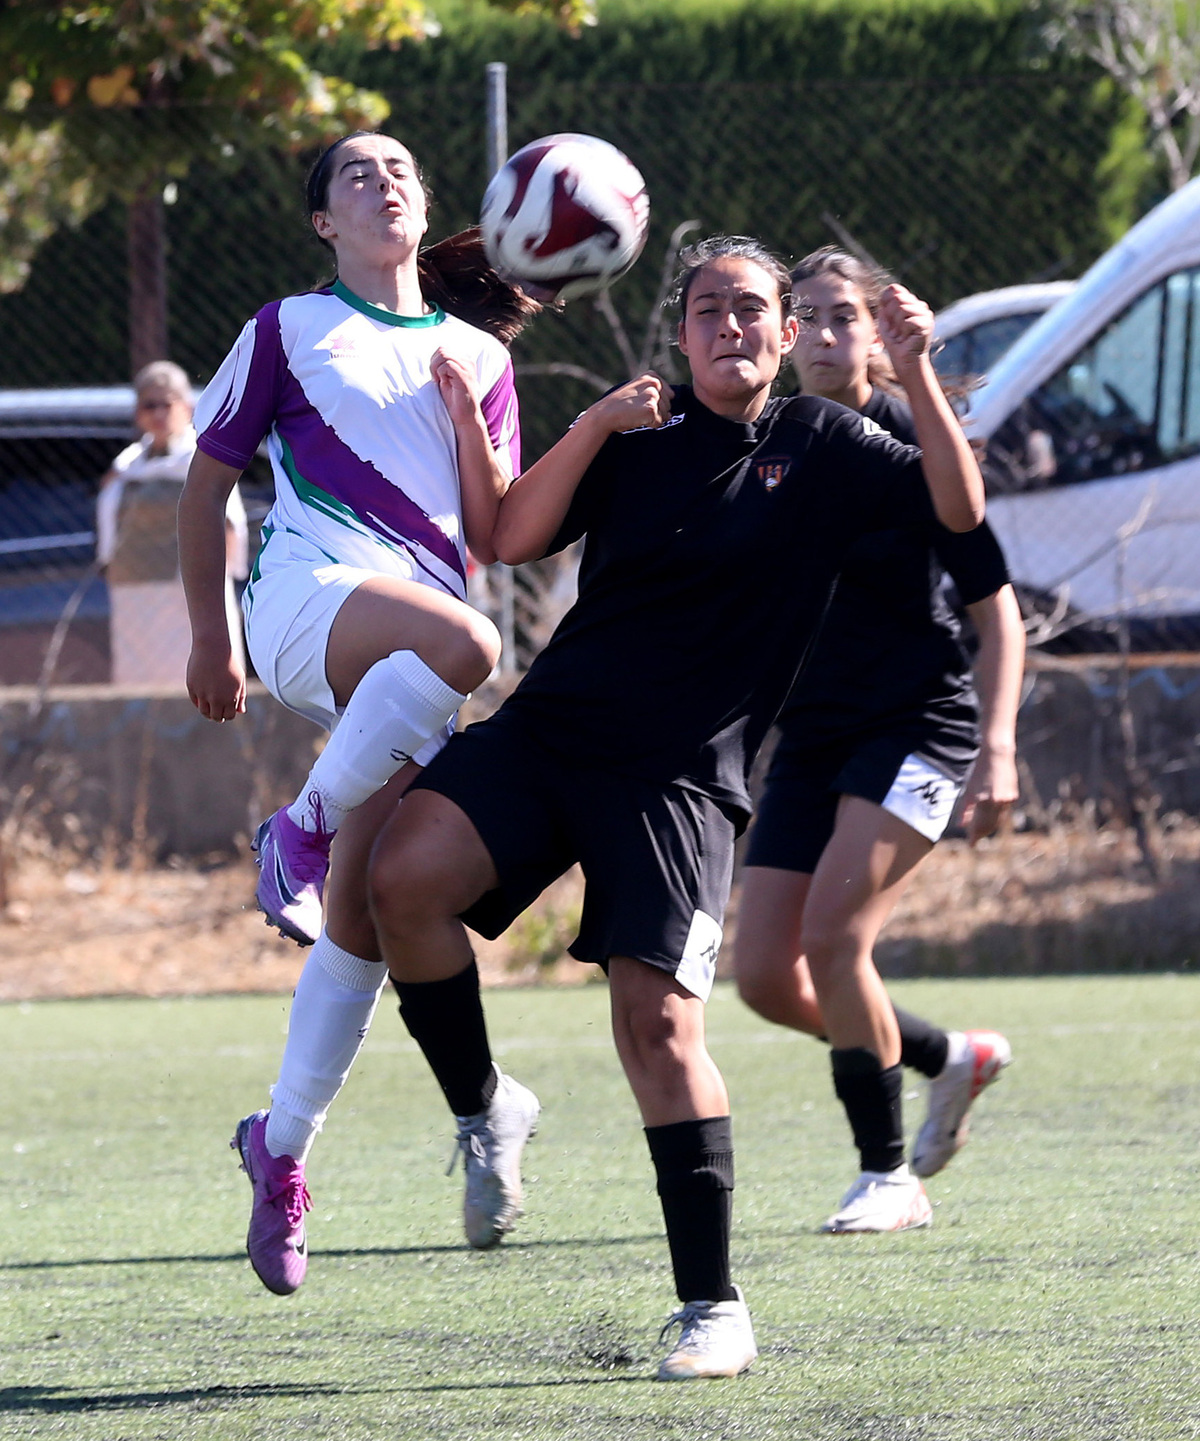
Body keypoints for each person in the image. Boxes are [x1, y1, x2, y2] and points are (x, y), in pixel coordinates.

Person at [366, 235, 986, 1381]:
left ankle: (713, 1307)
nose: (732, 327)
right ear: (683, 332)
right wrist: (591, 424)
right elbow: (506, 533)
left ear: (787, 333)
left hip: (681, 781)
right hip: (552, 735)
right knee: (400, 878)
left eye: (753, 309)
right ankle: (486, 1106)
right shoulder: (637, 442)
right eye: (709, 310)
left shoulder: (830, 443)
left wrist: (917, 369)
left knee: (657, 1026)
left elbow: (958, 507)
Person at [178, 131, 536, 1296]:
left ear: (425, 208)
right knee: (475, 641)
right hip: (303, 609)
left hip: (404, 674)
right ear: (324, 222)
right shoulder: (286, 326)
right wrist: (207, 634)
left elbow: (492, 534)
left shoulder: (478, 354)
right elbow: (206, 480)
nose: (383, 181)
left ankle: (277, 1153)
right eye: (353, 174)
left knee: (364, 921)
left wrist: (476, 426)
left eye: (398, 170)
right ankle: (305, 818)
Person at [734, 246, 1024, 1235]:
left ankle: (888, 1172)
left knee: (834, 936)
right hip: (813, 737)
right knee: (770, 977)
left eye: (842, 317)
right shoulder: (768, 444)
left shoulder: (911, 435)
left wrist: (999, 745)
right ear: (778, 333)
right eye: (803, 316)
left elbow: (997, 607)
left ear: (876, 332)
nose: (821, 334)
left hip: (920, 728)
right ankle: (948, 1056)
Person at [97, 360, 247, 686]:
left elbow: (230, 521)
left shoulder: (202, 458)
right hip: (134, 590)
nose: (158, 413)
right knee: (138, 679)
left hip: (190, 590)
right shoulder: (127, 464)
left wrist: (217, 575)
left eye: (166, 403)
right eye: (149, 404)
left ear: (187, 406)